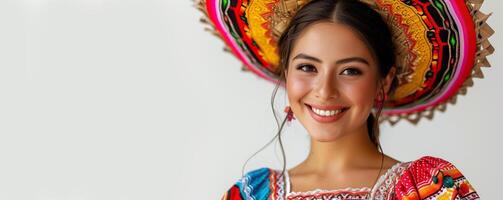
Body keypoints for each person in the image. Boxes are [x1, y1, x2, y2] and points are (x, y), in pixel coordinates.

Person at [197, 0, 492, 199]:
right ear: (286, 74)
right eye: (307, 67)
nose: (325, 90)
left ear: (383, 82)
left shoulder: (429, 188)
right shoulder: (251, 194)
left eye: (350, 71)